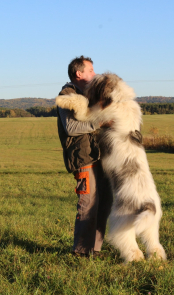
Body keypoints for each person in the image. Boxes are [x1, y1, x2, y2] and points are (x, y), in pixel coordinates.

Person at [57, 56, 113, 257]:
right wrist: (99, 123)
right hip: (84, 158)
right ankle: (80, 252)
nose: (95, 74)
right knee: (88, 204)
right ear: (79, 74)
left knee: (104, 203)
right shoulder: (66, 96)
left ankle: (95, 249)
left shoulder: (90, 95)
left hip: (100, 156)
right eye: (90, 70)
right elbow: (71, 128)